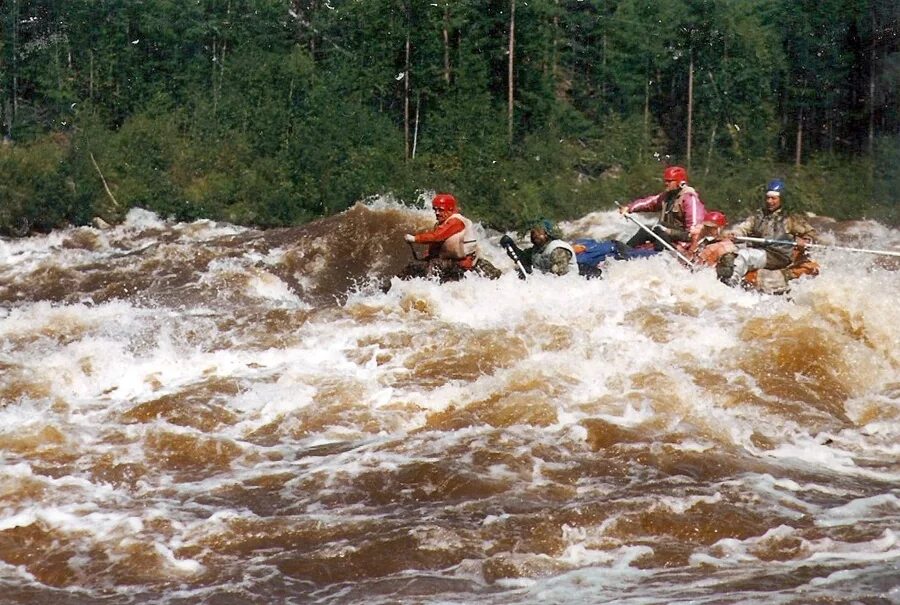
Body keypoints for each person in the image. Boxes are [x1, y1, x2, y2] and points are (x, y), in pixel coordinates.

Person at [717, 179, 818, 289]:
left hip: (777, 256)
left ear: (781, 199)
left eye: (773, 198)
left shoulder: (790, 218)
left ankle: (730, 286)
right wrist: (735, 233)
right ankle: (723, 279)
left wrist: (806, 240)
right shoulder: (759, 215)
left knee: (744, 256)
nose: (769, 201)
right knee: (729, 255)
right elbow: (744, 227)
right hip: (760, 252)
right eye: (768, 198)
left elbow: (811, 232)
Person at [399, 193, 501, 282]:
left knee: (429, 267)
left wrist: (414, 239)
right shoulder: (442, 223)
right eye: (435, 210)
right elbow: (436, 244)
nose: (437, 213)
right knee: (415, 266)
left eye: (441, 210)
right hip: (452, 262)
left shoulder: (456, 221)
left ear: (450, 209)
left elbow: (436, 237)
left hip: (464, 263)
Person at [618, 165, 706, 251]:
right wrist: (629, 208)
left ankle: (653, 254)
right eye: (665, 181)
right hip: (665, 234)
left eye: (669, 181)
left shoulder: (690, 199)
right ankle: (625, 251)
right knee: (646, 230)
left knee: (659, 231)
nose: (666, 183)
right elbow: (650, 203)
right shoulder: (667, 196)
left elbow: (694, 232)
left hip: (681, 241)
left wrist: (685, 248)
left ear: (680, 182)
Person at [499, 221, 580, 277]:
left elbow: (559, 276)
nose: (534, 234)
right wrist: (511, 246)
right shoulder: (536, 250)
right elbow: (522, 259)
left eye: (538, 231)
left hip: (567, 288)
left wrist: (533, 275)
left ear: (547, 234)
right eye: (533, 232)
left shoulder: (557, 249)